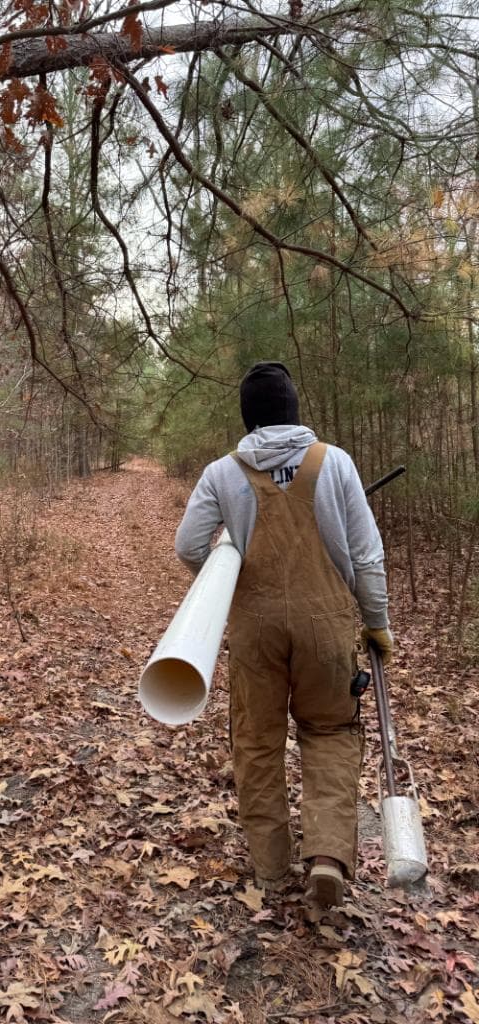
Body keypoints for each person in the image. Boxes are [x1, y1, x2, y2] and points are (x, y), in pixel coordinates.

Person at [174, 361, 394, 907]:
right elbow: (366, 556)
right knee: (331, 733)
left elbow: (187, 546)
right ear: (294, 410)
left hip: (255, 628)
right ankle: (326, 856)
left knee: (256, 741)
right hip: (327, 625)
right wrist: (377, 623)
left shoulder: (221, 473)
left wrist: (228, 571)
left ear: (248, 418)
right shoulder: (336, 462)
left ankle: (271, 868)